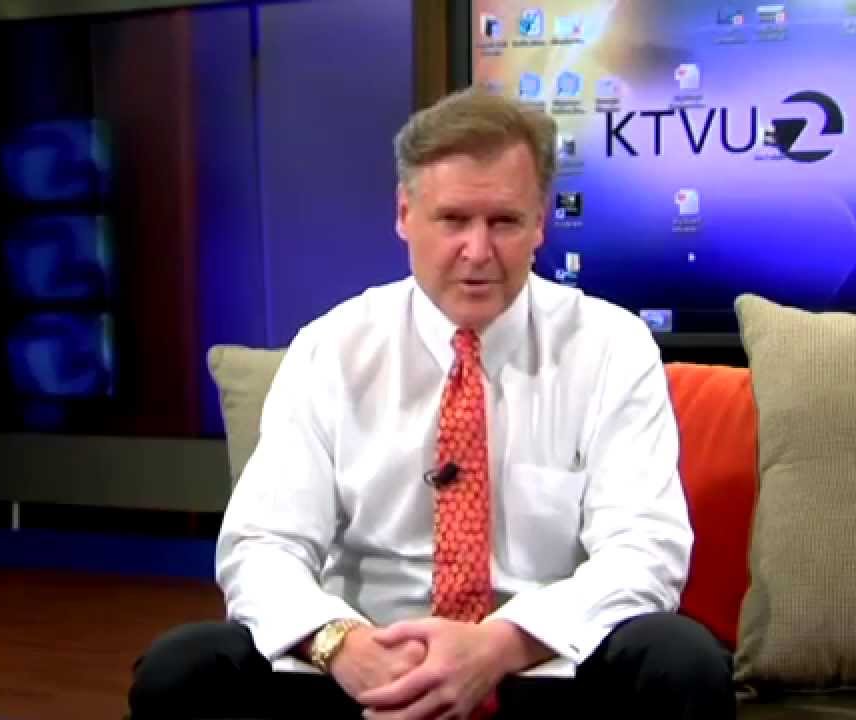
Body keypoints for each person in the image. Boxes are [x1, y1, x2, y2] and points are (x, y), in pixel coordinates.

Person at [128, 88, 735, 720]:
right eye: (453, 220)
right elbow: (262, 545)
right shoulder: (332, 348)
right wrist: (342, 644)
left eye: (504, 222)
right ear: (404, 214)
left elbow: (645, 552)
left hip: (537, 666)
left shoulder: (611, 347)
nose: (478, 251)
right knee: (183, 669)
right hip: (366, 668)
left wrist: (498, 646)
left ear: (540, 223)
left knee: (680, 659)